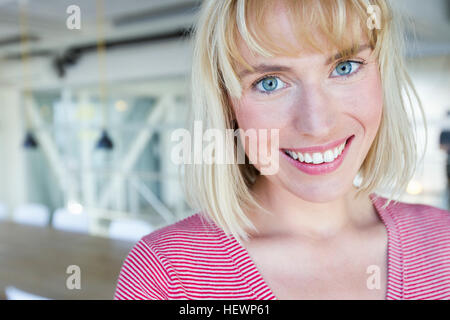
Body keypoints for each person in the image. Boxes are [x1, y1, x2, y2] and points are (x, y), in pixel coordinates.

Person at [114, 0, 450, 300]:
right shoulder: (170, 275)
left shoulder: (444, 242)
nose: (317, 124)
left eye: (344, 67)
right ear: (226, 105)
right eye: (270, 82)